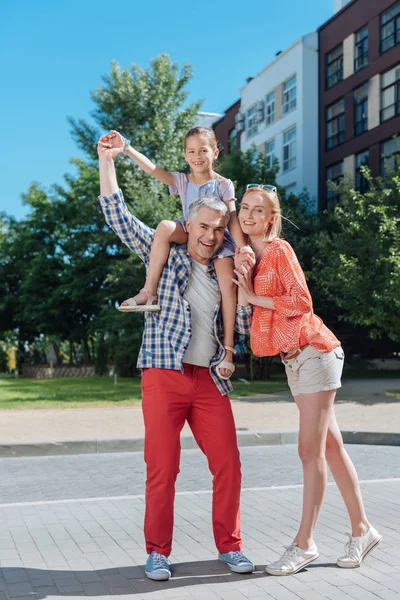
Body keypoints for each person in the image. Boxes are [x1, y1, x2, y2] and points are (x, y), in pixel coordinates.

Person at [97, 136, 255, 581]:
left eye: (217, 230)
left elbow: (241, 329)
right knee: (162, 468)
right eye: (203, 227)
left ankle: (231, 546)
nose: (209, 236)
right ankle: (157, 553)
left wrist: (245, 294)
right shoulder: (164, 255)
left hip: (209, 380)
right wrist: (107, 162)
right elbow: (118, 217)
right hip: (164, 375)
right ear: (189, 222)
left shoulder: (224, 270)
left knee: (228, 463)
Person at [234, 184, 382, 576]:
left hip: (315, 351)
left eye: (257, 210)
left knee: (308, 451)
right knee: (330, 447)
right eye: (244, 208)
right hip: (295, 360)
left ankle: (304, 544)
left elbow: (301, 303)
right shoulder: (253, 256)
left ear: (271, 218)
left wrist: (254, 298)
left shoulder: (280, 250)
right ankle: (362, 530)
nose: (248, 215)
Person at [98, 127, 247, 380]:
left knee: (228, 288)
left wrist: (243, 250)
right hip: (188, 234)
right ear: (185, 155)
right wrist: (127, 149)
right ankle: (149, 291)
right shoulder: (182, 181)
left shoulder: (223, 184)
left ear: (215, 153)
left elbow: (232, 218)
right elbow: (153, 170)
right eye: (191, 151)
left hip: (222, 244)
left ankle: (229, 350)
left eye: (203, 150)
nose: (197, 156)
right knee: (165, 228)